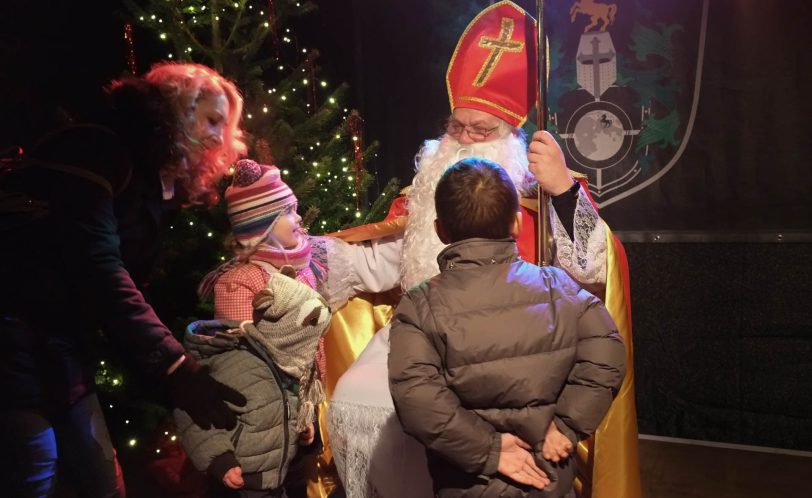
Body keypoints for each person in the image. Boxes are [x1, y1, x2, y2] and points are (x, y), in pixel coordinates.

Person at [327, 2, 640, 497]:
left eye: (482, 129)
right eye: (457, 127)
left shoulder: (542, 197)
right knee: (361, 397)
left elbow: (595, 273)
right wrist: (298, 255)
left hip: (517, 351)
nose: (466, 139)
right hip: (428, 336)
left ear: (510, 137)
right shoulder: (423, 195)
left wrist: (560, 190)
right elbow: (382, 260)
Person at [0, 62, 249, 498]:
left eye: (224, 127)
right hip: (14, 339)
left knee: (100, 478)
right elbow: (100, 270)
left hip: (60, 347)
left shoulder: (151, 181)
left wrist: (170, 371)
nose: (218, 137)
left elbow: (119, 286)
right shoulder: (99, 149)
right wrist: (175, 367)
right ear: (177, 108)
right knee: (35, 469)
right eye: (211, 119)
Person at [388, 158, 626, 498]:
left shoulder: (419, 304)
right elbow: (609, 353)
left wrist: (490, 449)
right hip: (549, 476)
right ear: (516, 224)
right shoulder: (557, 286)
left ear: (440, 231)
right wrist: (566, 426)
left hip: (467, 484)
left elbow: (416, 399)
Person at [197, 158, 402, 497]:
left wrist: (302, 414)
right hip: (259, 417)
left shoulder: (306, 267)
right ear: (261, 226)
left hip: (298, 413)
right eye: (288, 213)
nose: (298, 219)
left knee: (294, 480)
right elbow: (238, 362)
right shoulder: (240, 281)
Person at [175, 270, 333, 498]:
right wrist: (220, 459)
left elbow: (286, 405)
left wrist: (306, 428)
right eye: (310, 339)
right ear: (289, 334)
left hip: (280, 479)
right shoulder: (237, 365)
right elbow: (193, 414)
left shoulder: (287, 366)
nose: (313, 349)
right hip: (240, 483)